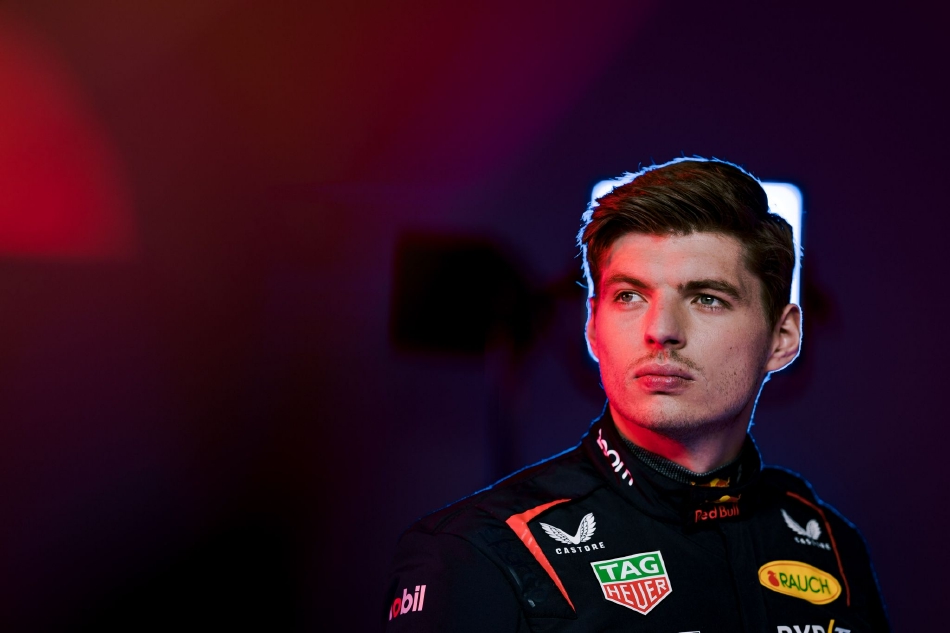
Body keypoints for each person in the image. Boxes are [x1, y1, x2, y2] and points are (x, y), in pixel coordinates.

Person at [382, 158, 888, 632]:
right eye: (629, 296)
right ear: (592, 327)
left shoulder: (831, 545)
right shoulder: (476, 550)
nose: (661, 330)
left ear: (782, 337)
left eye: (707, 298)